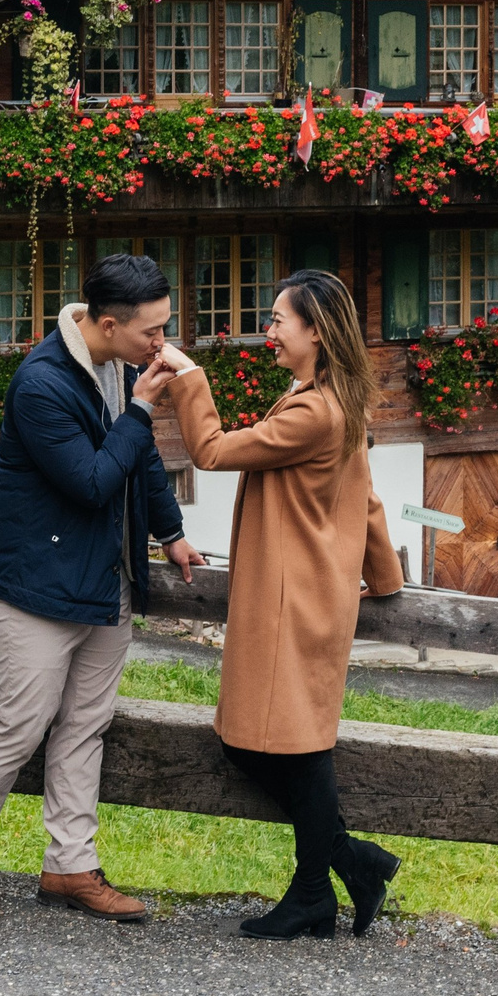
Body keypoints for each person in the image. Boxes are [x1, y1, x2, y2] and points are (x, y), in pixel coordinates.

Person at [0, 253, 204, 923]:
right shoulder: (42, 383)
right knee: (21, 723)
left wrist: (170, 532)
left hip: (106, 577)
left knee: (86, 727)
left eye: (165, 328)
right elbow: (90, 481)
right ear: (107, 323)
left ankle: (70, 867)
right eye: (152, 332)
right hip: (38, 583)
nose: (162, 344)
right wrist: (141, 409)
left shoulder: (120, 366)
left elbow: (137, 460)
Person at [160, 268, 406, 939]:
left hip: (290, 598)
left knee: (277, 744)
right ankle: (322, 886)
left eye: (277, 319)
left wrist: (189, 377)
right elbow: (370, 494)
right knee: (291, 741)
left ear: (315, 330)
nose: (267, 330)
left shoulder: (312, 410)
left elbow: (209, 450)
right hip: (305, 593)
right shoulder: (330, 398)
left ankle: (346, 865)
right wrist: (384, 579)